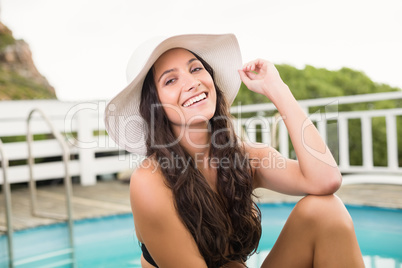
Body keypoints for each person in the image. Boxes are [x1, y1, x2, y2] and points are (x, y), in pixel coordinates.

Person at [105, 34, 365, 268]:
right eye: (171, 80)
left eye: (196, 69)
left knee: (326, 210)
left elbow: (326, 179)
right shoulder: (150, 181)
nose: (192, 82)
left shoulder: (244, 156)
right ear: (156, 104)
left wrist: (278, 90)